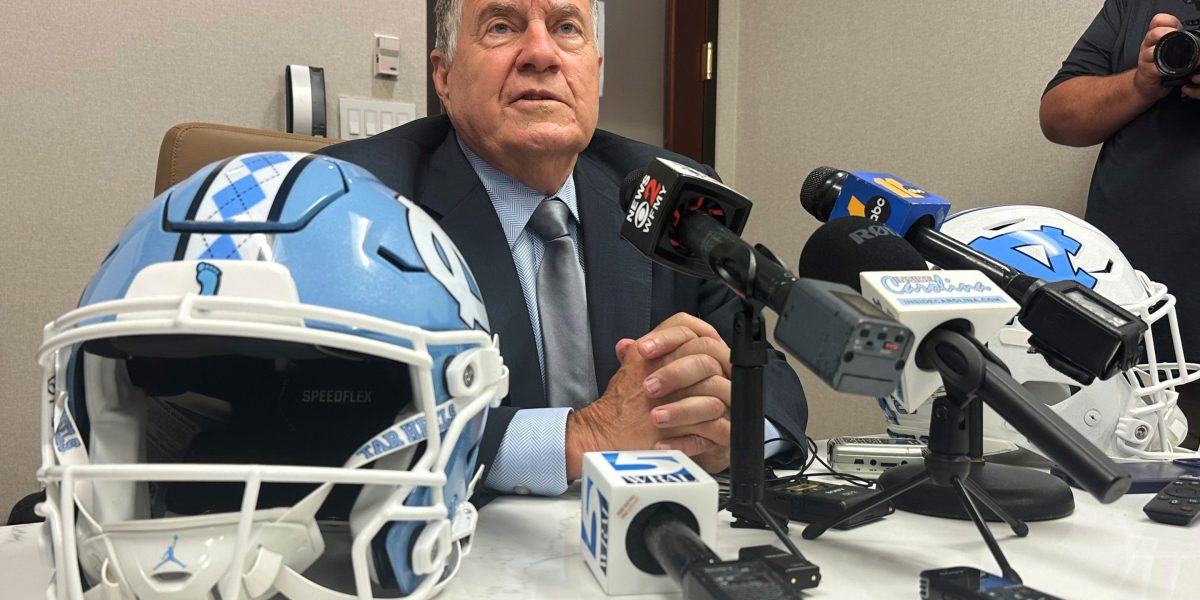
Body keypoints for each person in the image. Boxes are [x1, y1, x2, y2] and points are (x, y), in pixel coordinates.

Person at [318, 0, 808, 501]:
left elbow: (770, 380)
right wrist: (581, 439)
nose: (541, 53)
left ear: (596, 70)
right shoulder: (353, 200)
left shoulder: (671, 196)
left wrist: (728, 431)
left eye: (566, 28)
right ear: (444, 76)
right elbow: (331, 412)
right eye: (501, 26)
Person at [1040, 1, 1200, 448]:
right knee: (1117, 485)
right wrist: (1142, 82)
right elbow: (1058, 118)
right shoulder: (1135, 5)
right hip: (1134, 335)